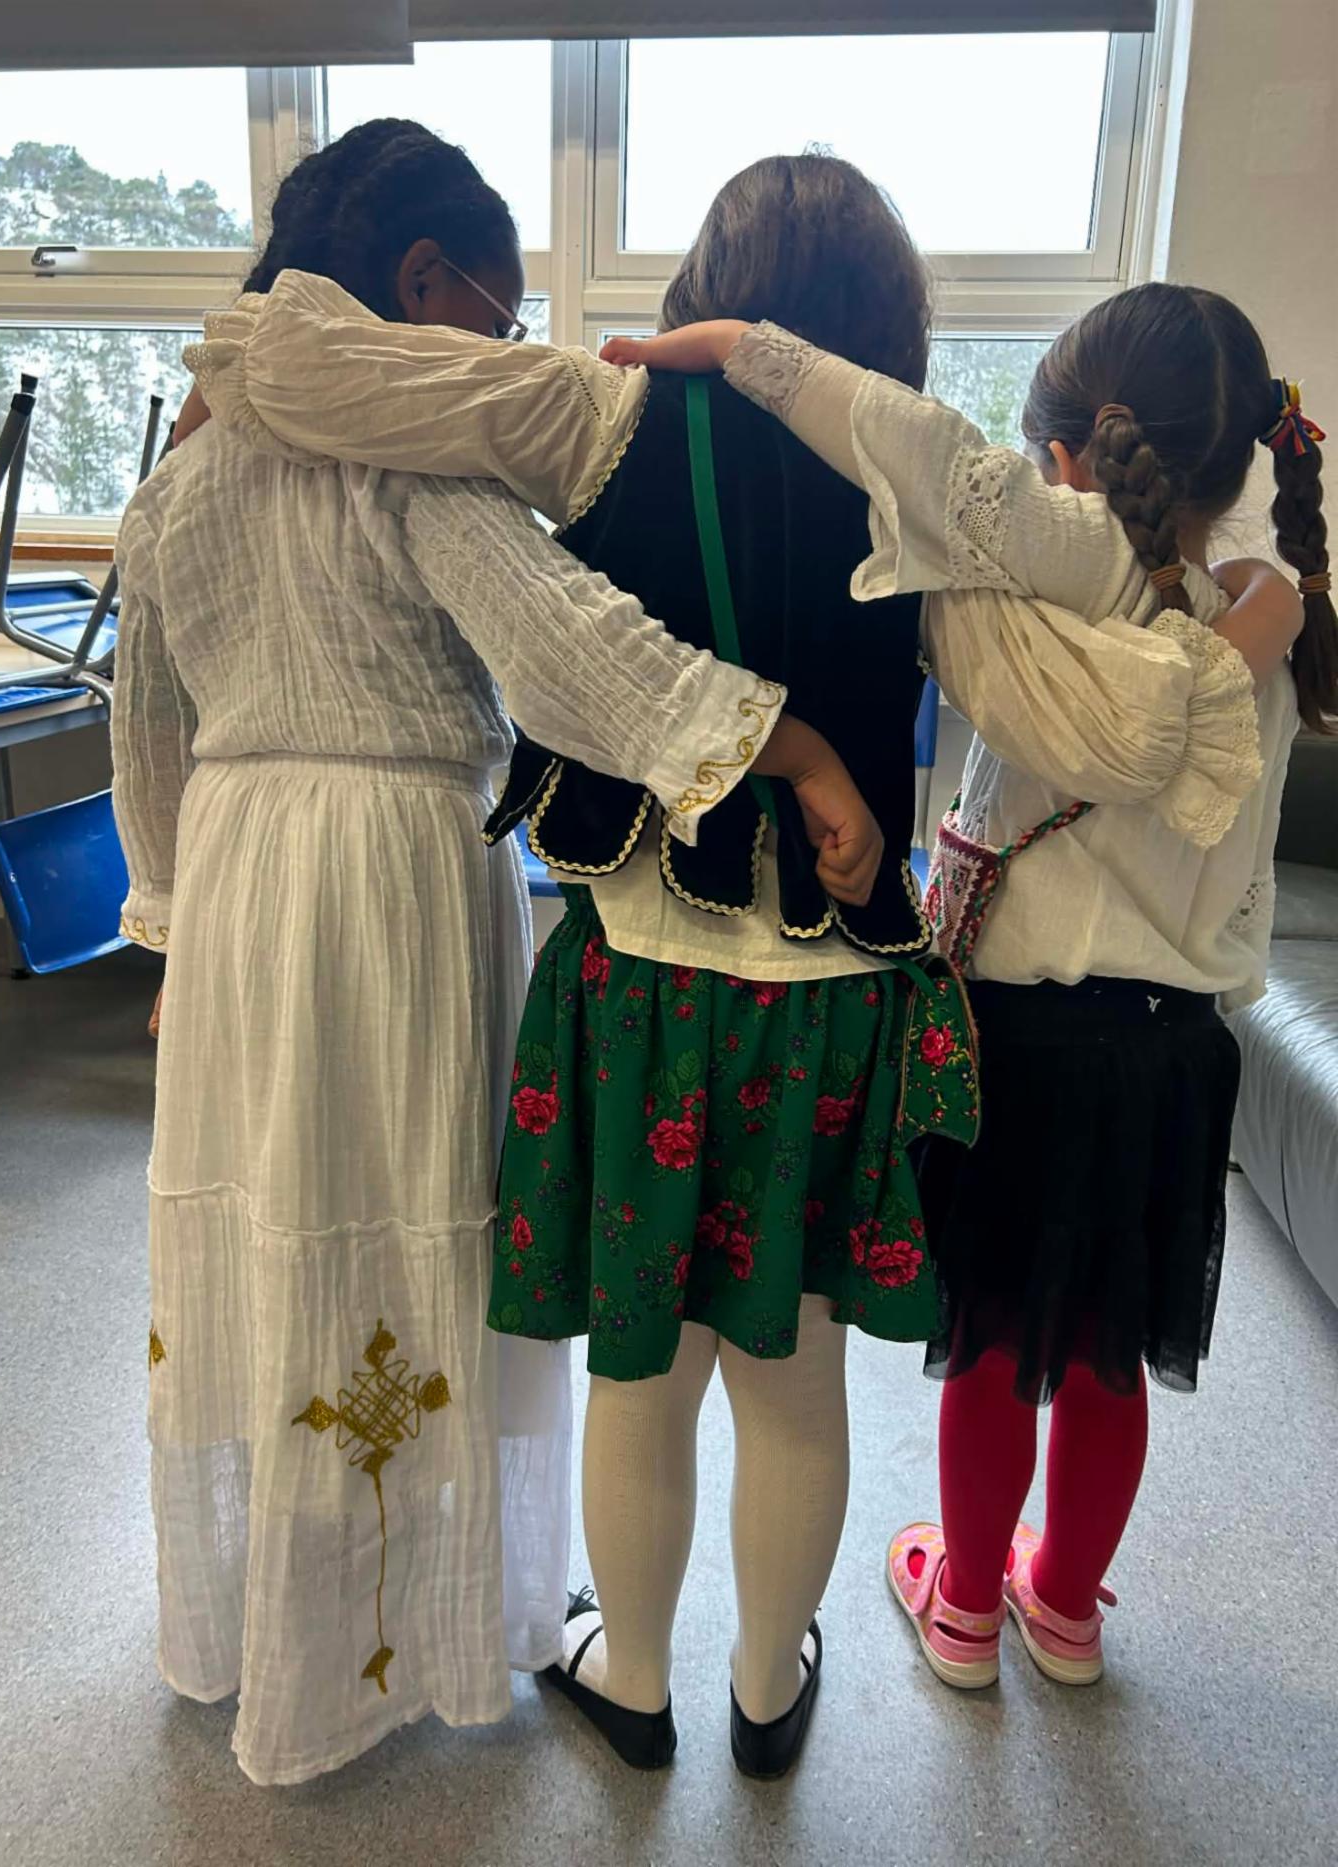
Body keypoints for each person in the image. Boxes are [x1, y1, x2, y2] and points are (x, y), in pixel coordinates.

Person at [182, 163, 1300, 1770]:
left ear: (708, 286)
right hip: (836, 1006)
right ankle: (769, 1694)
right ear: (888, 321)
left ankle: (634, 1684)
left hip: (640, 981)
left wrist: (233, 379)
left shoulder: (597, 414)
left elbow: (359, 388)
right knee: (793, 1375)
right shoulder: (921, 485)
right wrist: (1266, 606)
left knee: (643, 1367)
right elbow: (1103, 702)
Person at [111, 121, 879, 1788]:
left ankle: (273, 1621)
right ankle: (418, 1620)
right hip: (387, 873)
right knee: (405, 1218)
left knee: (276, 1220)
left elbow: (145, 723)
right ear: (420, 282)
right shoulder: (409, 466)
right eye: (501, 309)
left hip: (239, 876)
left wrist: (169, 917)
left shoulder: (180, 473)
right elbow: (572, 658)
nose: (506, 343)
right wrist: (798, 747)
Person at [611, 284, 1326, 1690]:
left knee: (993, 1338)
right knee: (1111, 1350)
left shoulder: (1055, 588)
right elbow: (1241, 880)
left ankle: (967, 1607)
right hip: (1177, 1051)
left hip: (1022, 1037)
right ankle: (1065, 1607)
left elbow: (905, 442)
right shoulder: (1278, 646)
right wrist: (1279, 592)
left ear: (1066, 458)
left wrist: (739, 347)